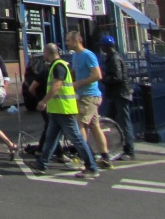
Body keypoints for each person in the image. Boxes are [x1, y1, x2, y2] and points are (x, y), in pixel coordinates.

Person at [31, 43, 101, 179]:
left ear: (48, 53)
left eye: (44, 52)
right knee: (51, 138)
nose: (43, 55)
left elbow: (57, 86)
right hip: (57, 110)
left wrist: (43, 101)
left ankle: (91, 167)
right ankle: (41, 164)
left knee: (77, 139)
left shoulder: (59, 66)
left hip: (64, 110)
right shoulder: (56, 66)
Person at [67, 31, 112, 168]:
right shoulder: (75, 56)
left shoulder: (88, 55)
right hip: (83, 95)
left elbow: (98, 75)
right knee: (94, 126)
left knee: (79, 125)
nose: (66, 43)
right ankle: (105, 158)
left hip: (89, 96)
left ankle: (84, 158)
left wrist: (79, 83)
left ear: (76, 41)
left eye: (68, 40)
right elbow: (75, 72)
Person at [99, 35, 136, 160]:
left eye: (102, 45)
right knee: (111, 121)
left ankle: (129, 151)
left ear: (106, 47)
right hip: (116, 94)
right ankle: (115, 148)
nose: (101, 48)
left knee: (124, 122)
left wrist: (104, 78)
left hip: (120, 94)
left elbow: (117, 77)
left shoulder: (114, 58)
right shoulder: (112, 57)